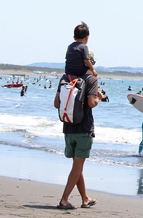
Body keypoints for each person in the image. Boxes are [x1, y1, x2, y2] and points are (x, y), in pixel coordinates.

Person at [53, 68, 104, 210]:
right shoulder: (91, 80)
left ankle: (85, 199)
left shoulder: (66, 78)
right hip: (84, 129)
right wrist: (99, 97)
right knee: (78, 166)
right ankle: (64, 200)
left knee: (77, 166)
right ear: (90, 63)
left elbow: (56, 104)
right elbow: (92, 103)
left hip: (68, 128)